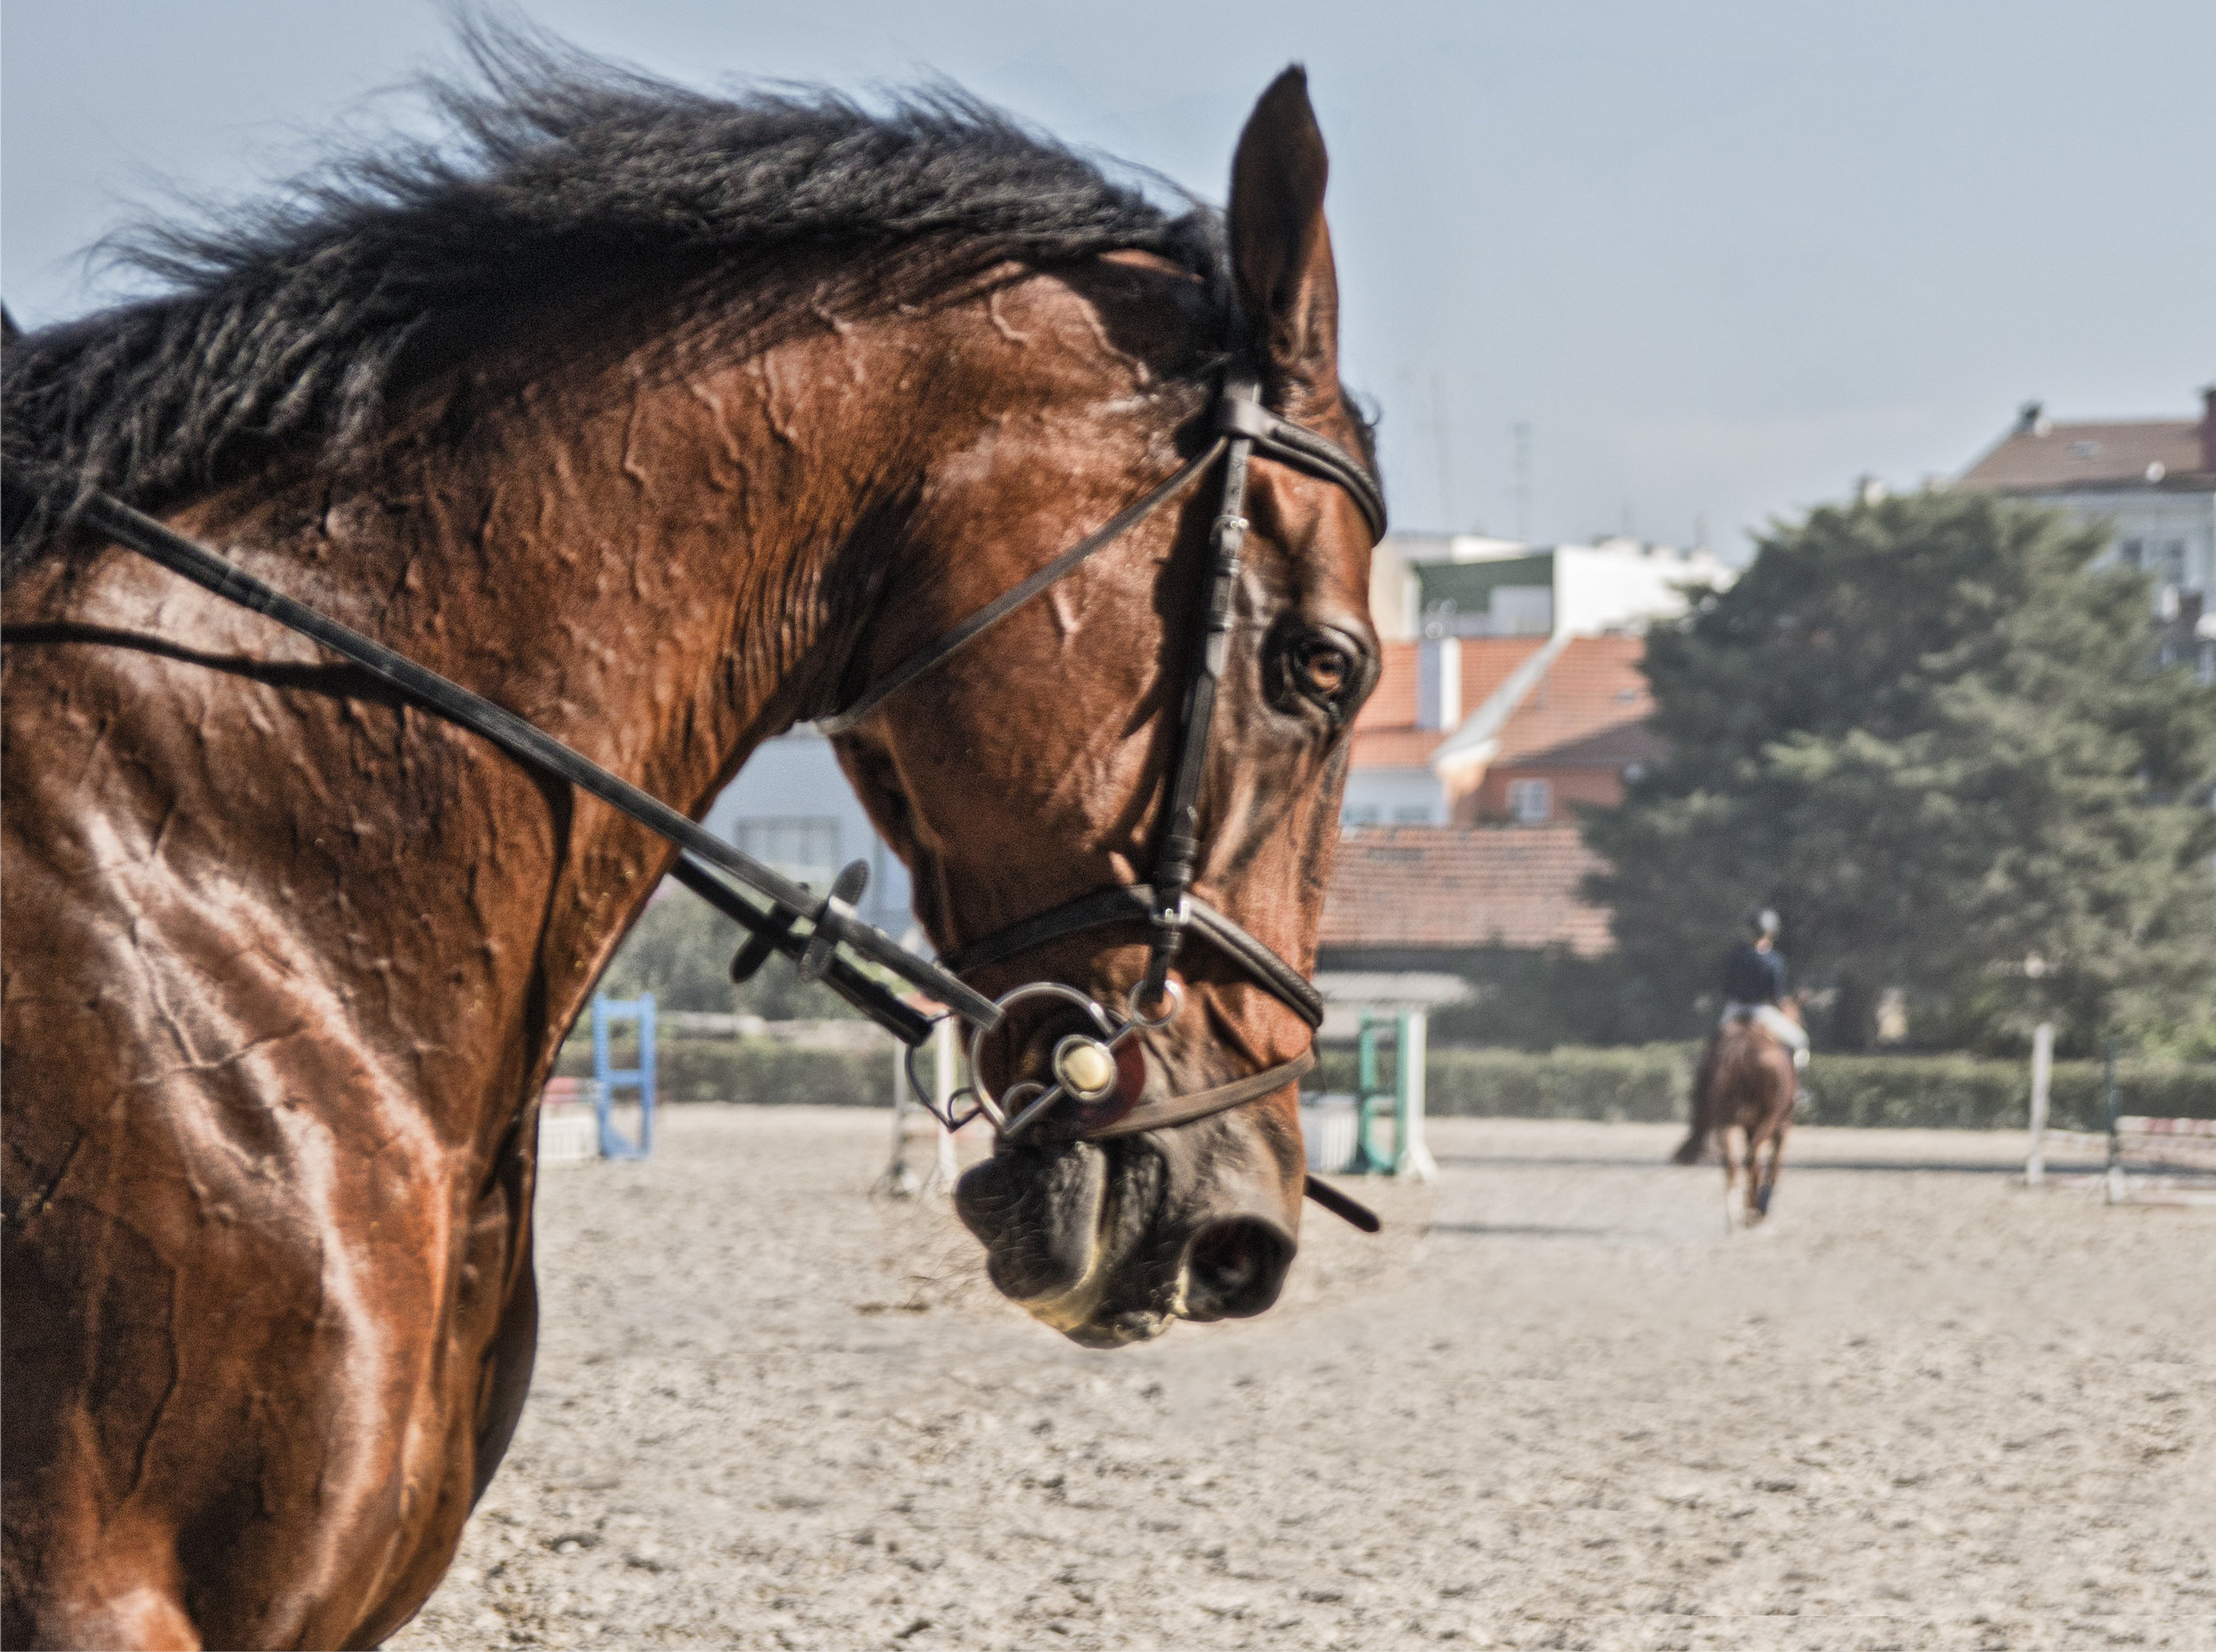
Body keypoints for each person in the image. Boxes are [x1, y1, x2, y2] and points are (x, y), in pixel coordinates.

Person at [1721, 908, 1808, 1079]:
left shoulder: (1736, 955)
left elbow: (1726, 988)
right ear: (1772, 933)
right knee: (1800, 1041)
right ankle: (1801, 1091)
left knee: (1714, 1045)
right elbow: (1776, 996)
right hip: (1761, 1011)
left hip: (1735, 1009)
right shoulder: (1775, 960)